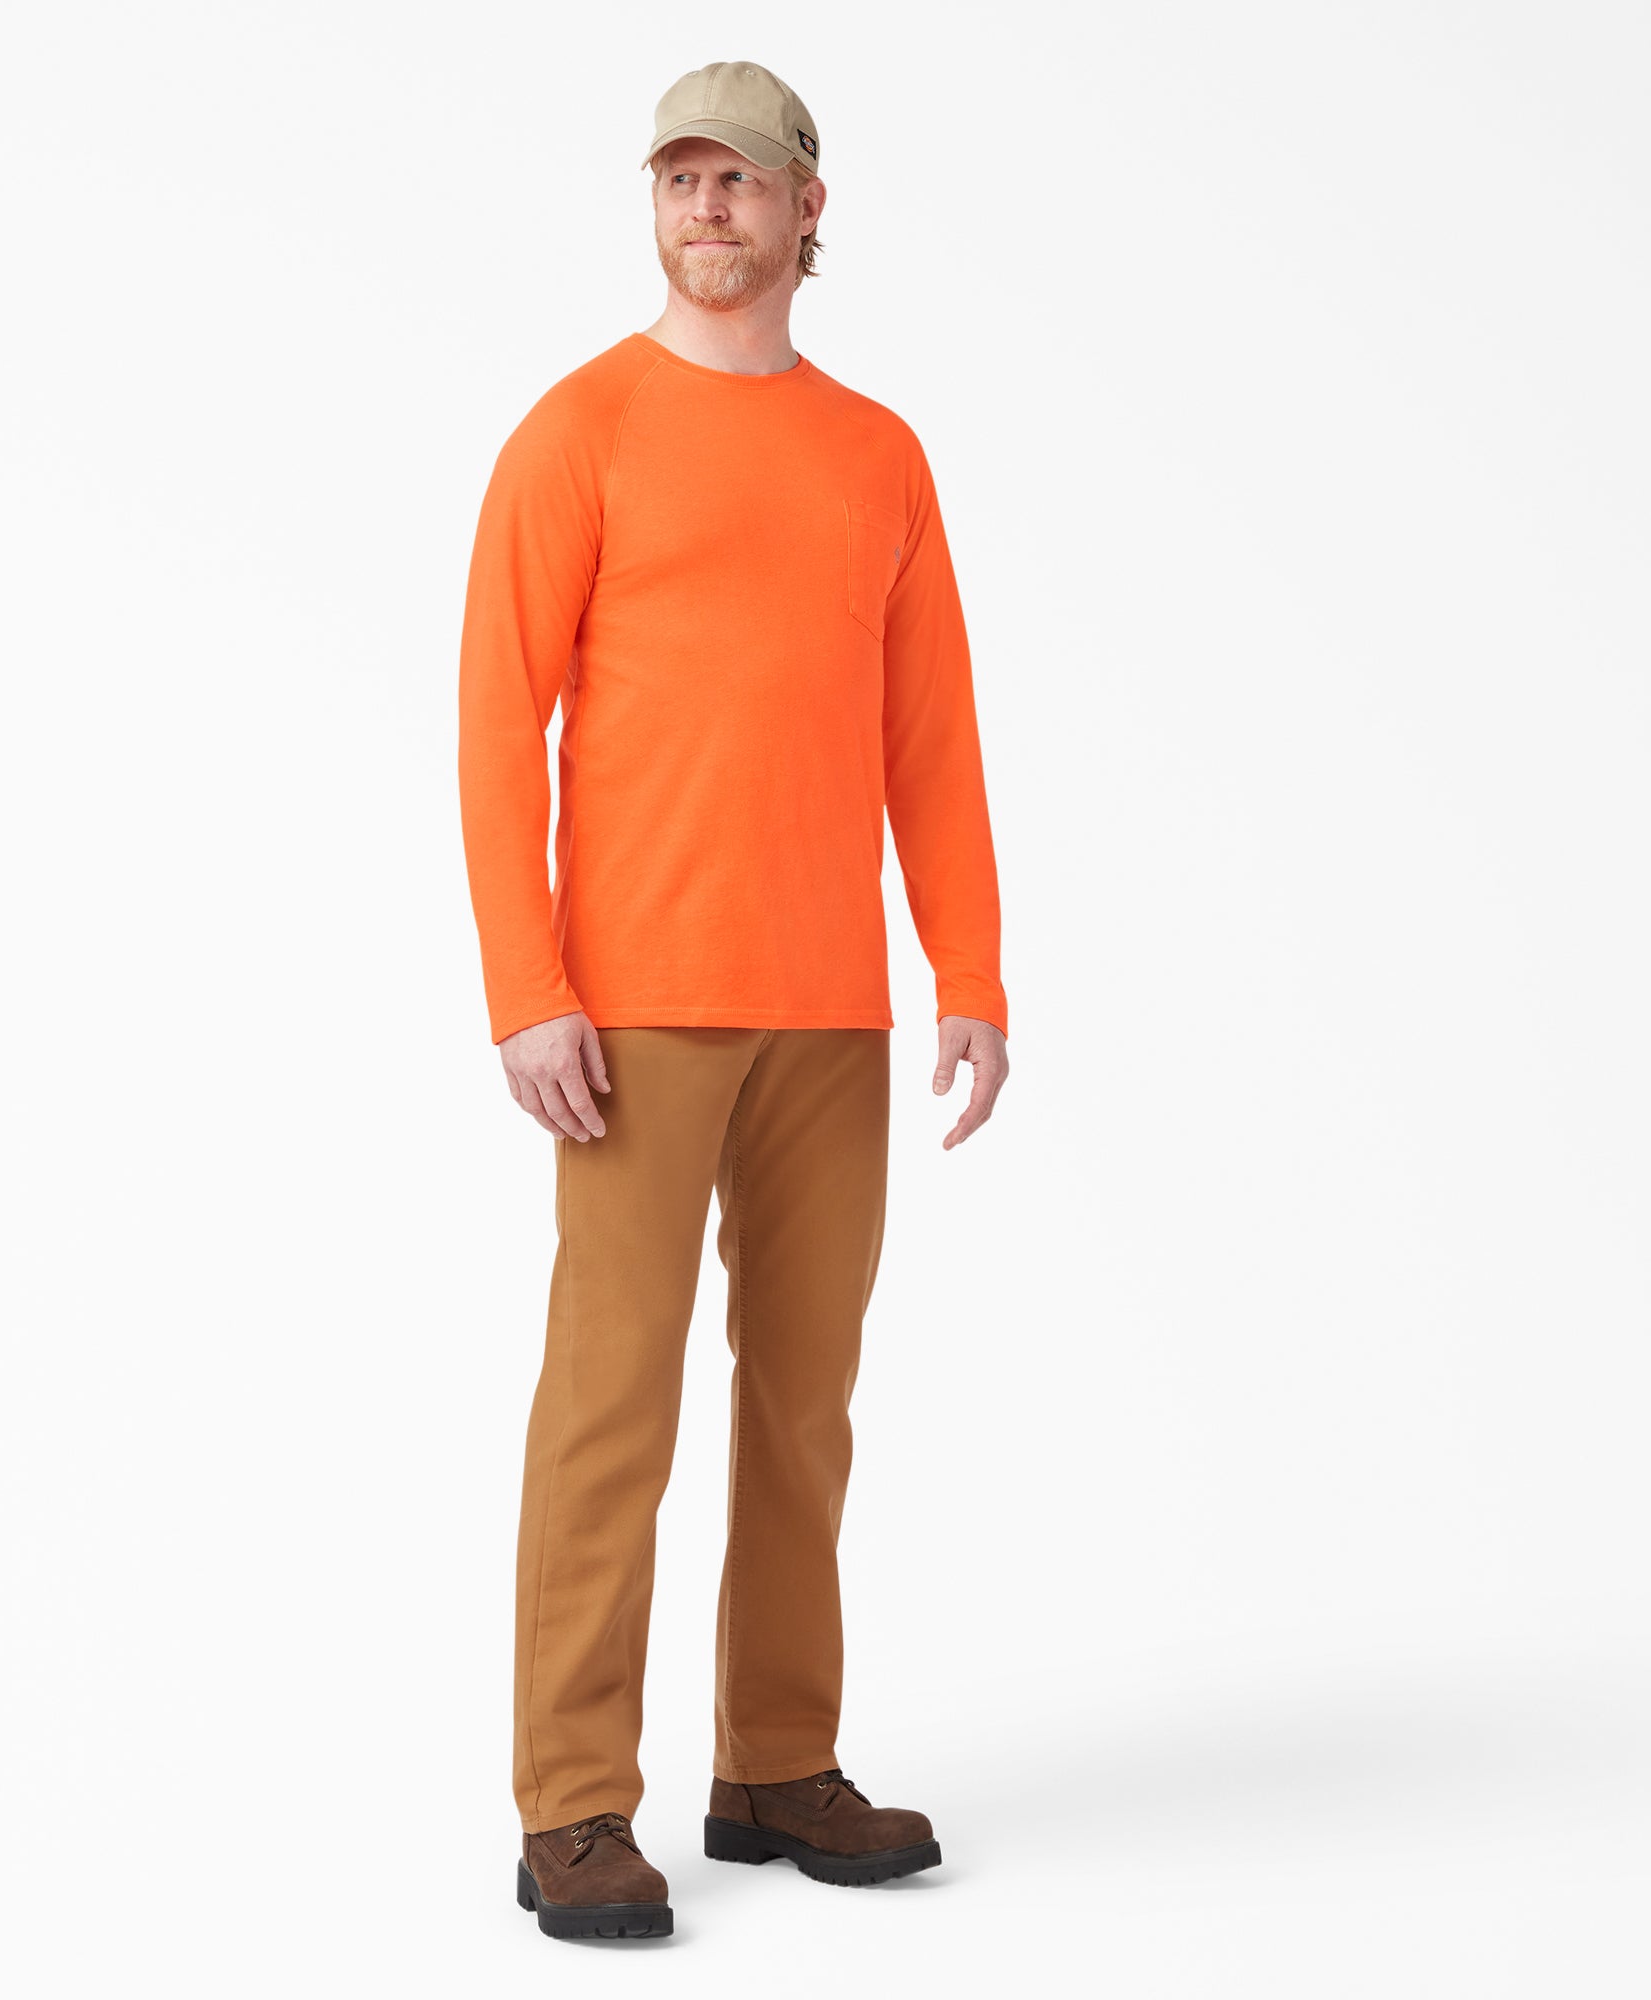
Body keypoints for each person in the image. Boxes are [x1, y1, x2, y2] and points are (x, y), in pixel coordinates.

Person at [457, 59, 1011, 1943]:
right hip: (630, 1016)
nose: (708, 207)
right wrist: (528, 988)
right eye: (681, 178)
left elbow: (931, 736)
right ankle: (571, 1805)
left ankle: (776, 1761)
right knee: (609, 1407)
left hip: (830, 1012)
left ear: (805, 211)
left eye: (741, 180)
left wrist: (969, 968)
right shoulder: (580, 433)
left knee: (804, 1406)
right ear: (658, 206)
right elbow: (494, 722)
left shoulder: (880, 457)